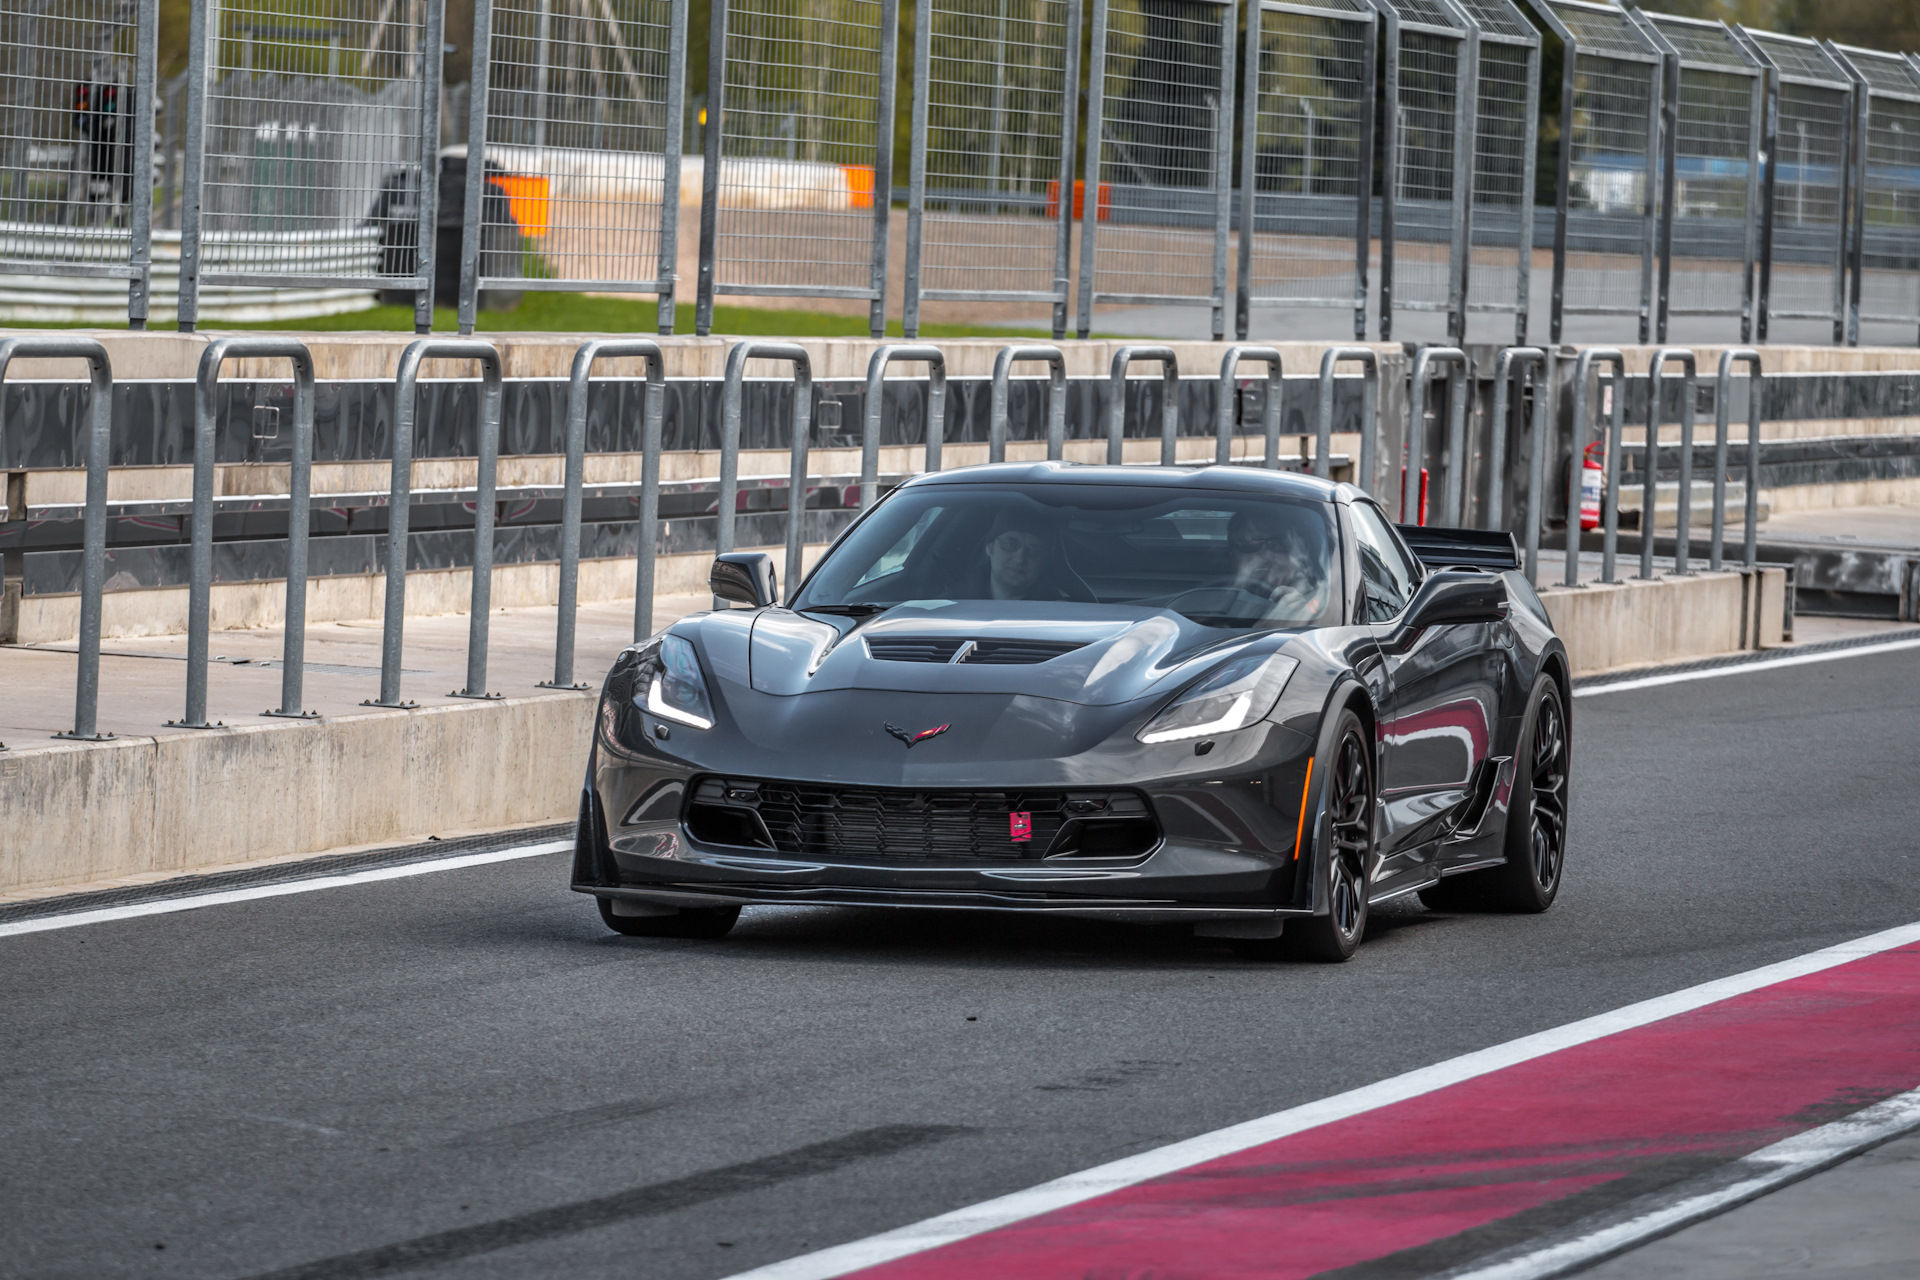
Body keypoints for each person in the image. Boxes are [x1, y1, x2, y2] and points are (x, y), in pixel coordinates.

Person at [1225, 507, 1329, 622]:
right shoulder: (1212, 601)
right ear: (1232, 557)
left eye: (1278, 543)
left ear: (1296, 554)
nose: (1266, 555)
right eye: (1250, 544)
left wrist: (1301, 615)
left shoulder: (1318, 600)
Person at [974, 507, 1087, 601]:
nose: (1020, 559)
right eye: (1010, 544)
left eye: (1034, 550)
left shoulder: (1060, 614)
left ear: (1045, 561)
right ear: (990, 548)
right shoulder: (962, 601)